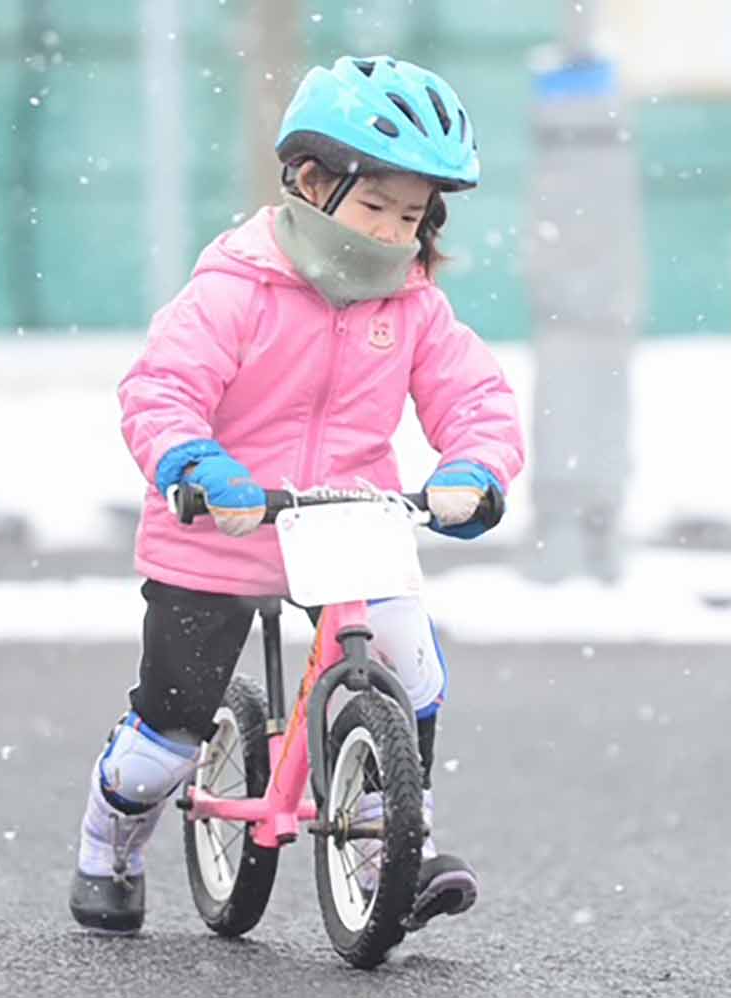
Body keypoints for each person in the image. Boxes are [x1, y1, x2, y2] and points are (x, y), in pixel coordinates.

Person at [69, 54, 525, 936]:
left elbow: (476, 398)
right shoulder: (234, 292)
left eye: (411, 217)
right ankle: (110, 843)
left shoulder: (413, 307)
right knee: (168, 738)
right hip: (221, 526)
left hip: (350, 521)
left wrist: (475, 469)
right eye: (375, 207)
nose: (392, 234)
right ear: (311, 183)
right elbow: (161, 389)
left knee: (412, 674)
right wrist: (195, 466)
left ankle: (398, 848)